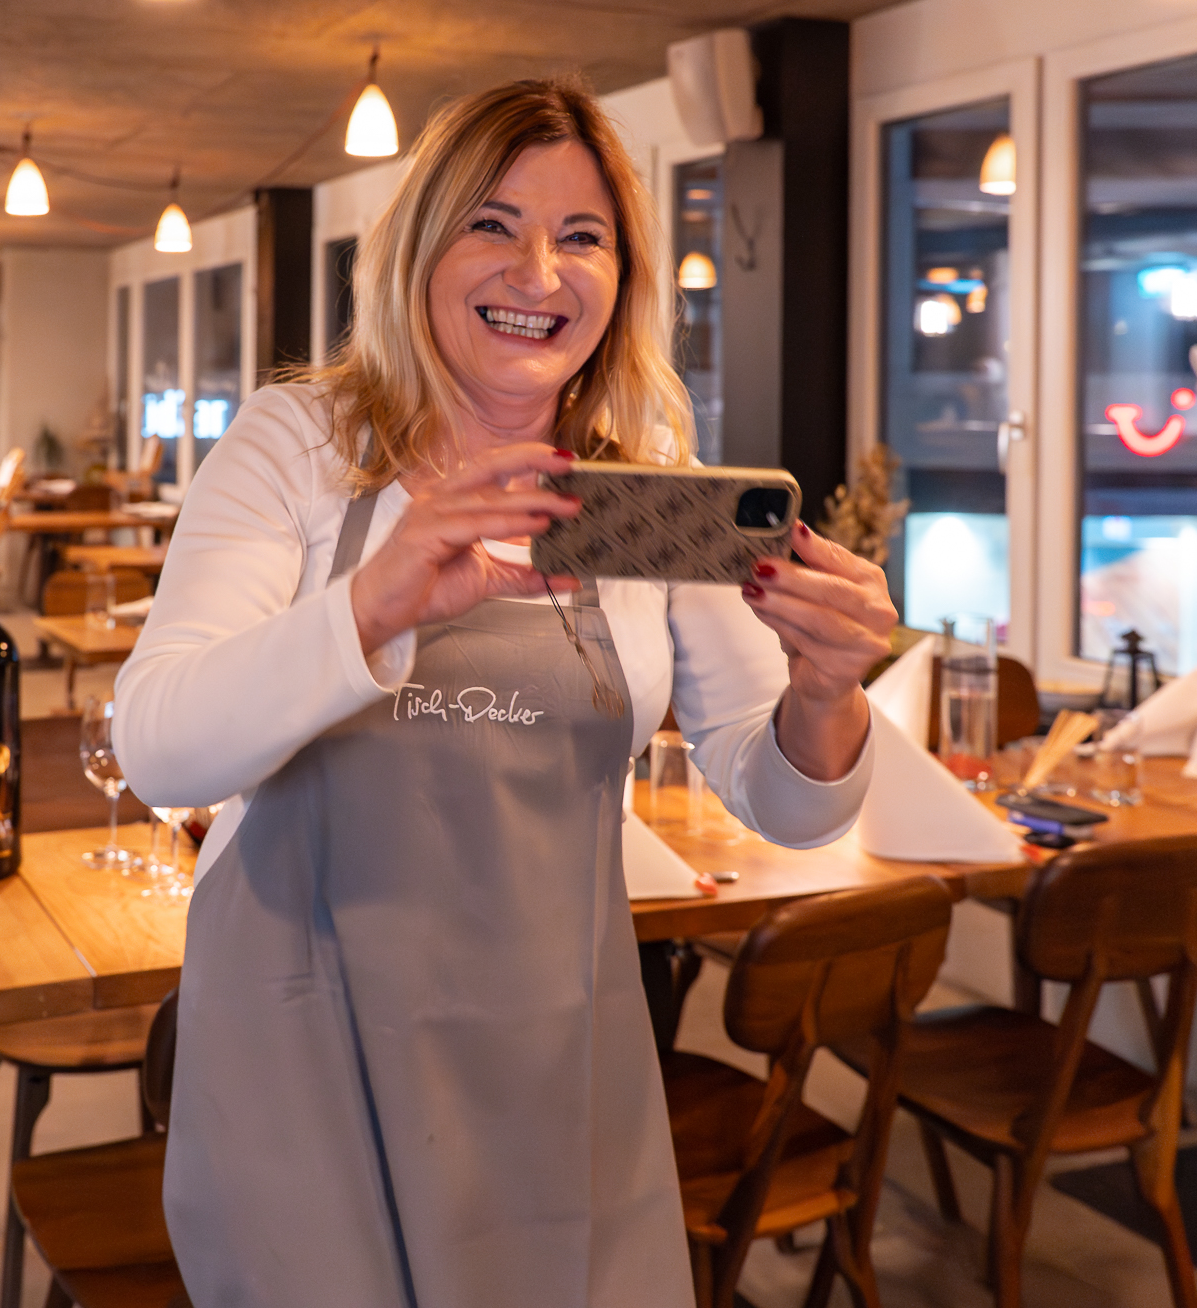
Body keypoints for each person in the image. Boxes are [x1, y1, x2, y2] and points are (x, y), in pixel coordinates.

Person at [114, 78, 896, 1308]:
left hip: (554, 1048)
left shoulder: (644, 495)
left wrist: (827, 689)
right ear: (418, 249)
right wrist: (373, 604)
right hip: (302, 1043)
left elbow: (787, 804)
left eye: (581, 236)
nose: (538, 271)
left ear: (620, 279)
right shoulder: (299, 446)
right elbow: (159, 746)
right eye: (493, 223)